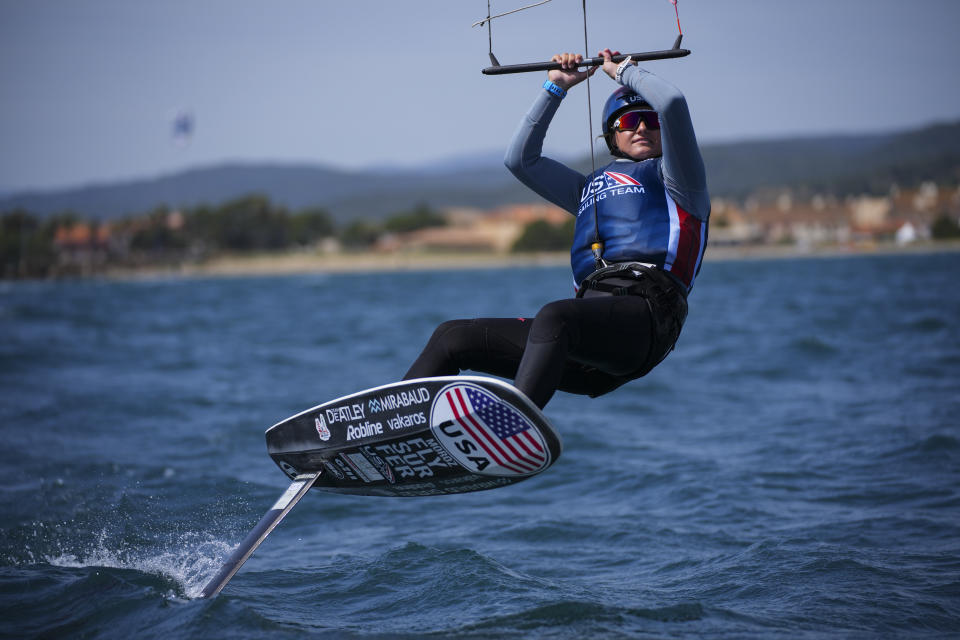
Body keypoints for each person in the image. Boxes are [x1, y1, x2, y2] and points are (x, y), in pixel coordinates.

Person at [404, 49, 709, 409]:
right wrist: (556, 87)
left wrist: (625, 72)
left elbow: (672, 102)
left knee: (555, 315)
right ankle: (393, 433)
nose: (641, 127)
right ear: (612, 136)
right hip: (584, 340)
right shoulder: (587, 190)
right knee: (452, 337)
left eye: (649, 120)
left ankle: (513, 430)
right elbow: (520, 160)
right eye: (628, 122)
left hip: (646, 321)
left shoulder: (678, 179)